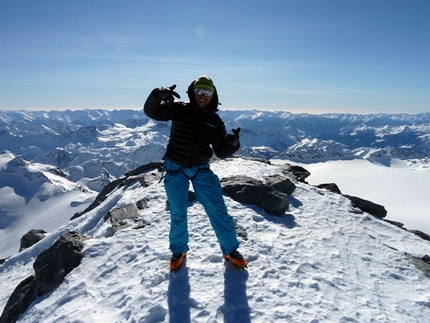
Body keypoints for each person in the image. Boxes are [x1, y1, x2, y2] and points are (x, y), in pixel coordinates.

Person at [144, 75, 247, 270]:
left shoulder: (214, 120)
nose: (203, 95)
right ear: (193, 92)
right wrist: (157, 95)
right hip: (175, 168)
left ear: (213, 95)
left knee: (218, 210)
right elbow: (153, 112)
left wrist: (233, 145)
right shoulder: (179, 109)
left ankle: (230, 250)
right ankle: (178, 250)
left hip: (200, 168)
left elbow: (221, 151)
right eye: (199, 91)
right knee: (178, 212)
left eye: (207, 92)